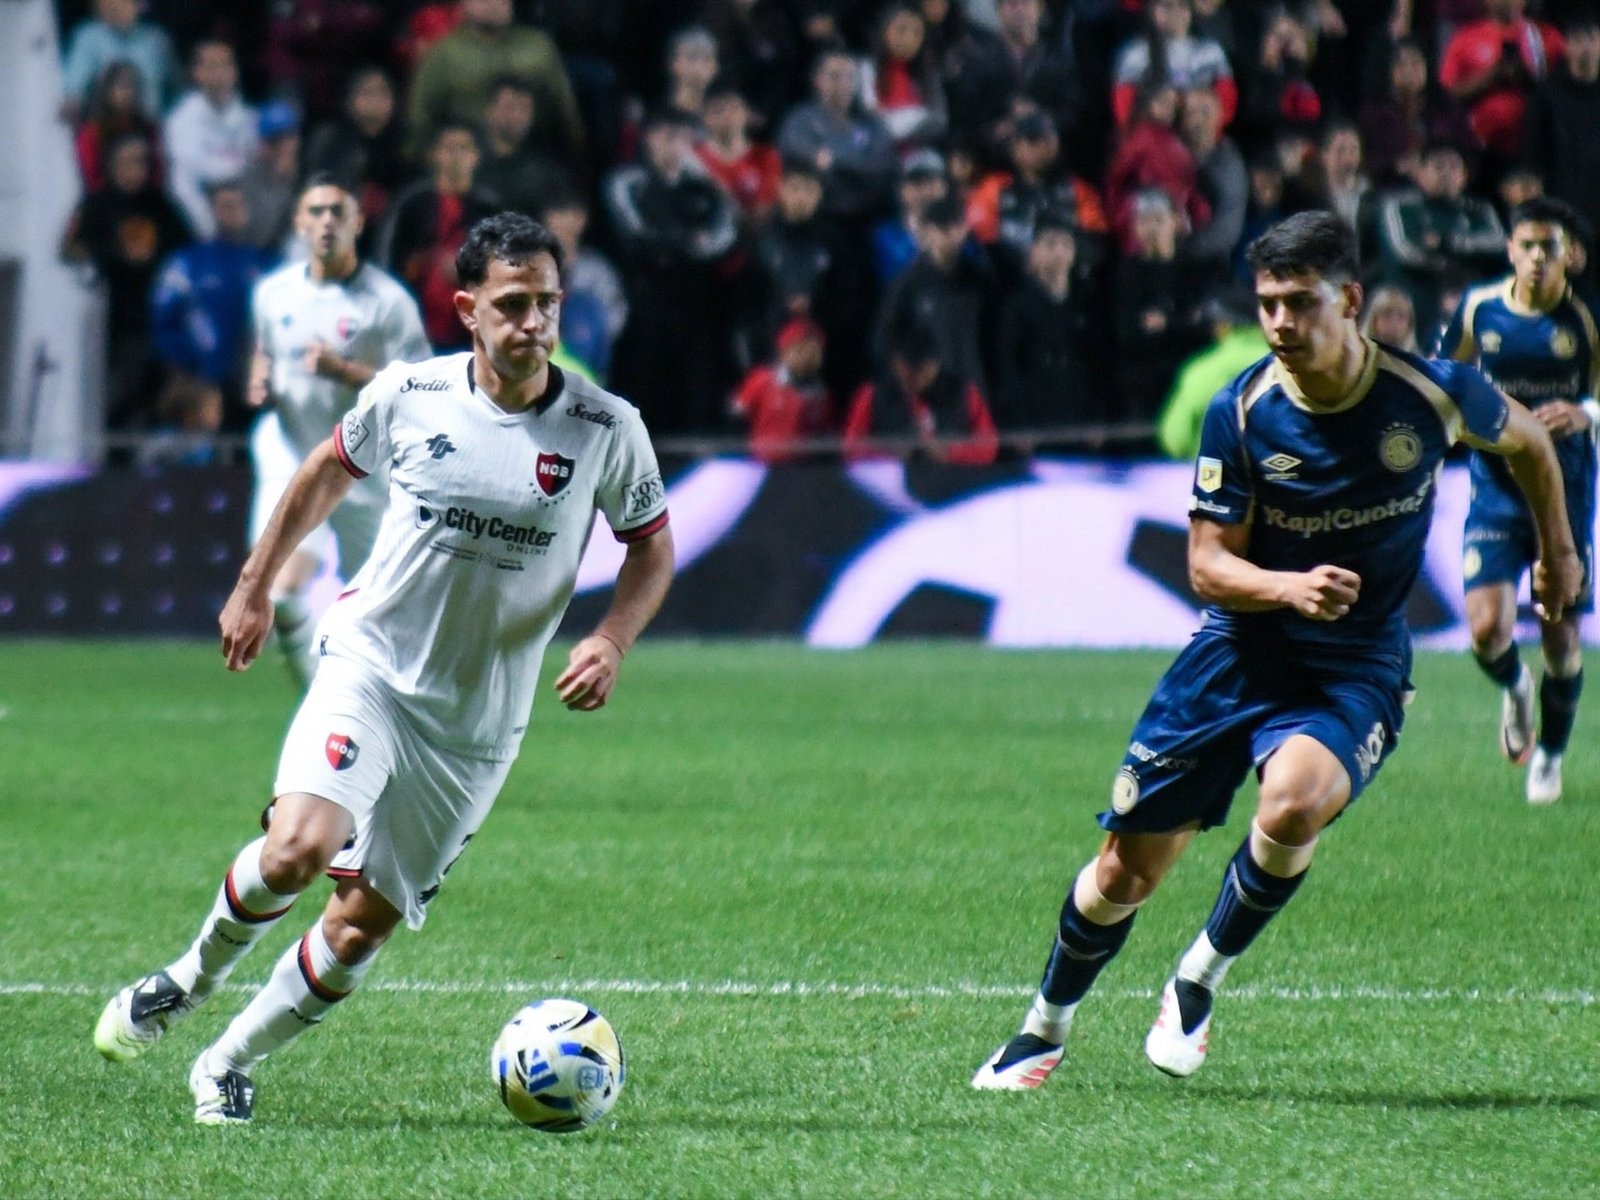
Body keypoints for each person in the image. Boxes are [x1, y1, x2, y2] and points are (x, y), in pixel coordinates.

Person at [971, 211, 1581, 1091]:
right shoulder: (1245, 411)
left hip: (1356, 667)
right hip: (1237, 660)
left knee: (1293, 804)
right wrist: (1287, 588)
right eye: (1267, 306)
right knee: (1127, 869)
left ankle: (1197, 979)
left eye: (1300, 303)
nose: (1282, 324)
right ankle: (1043, 1028)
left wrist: (1557, 551)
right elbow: (1207, 564)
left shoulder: (1430, 394)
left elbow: (1527, 441)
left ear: (1353, 301)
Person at [93, 212, 676, 1127]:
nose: (535, 324)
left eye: (548, 304)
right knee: (297, 849)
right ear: (468, 309)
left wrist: (610, 639)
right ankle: (186, 978)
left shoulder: (606, 425)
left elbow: (650, 548)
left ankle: (226, 1061)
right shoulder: (412, 391)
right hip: (371, 665)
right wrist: (253, 584)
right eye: (514, 304)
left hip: (478, 725)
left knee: (361, 925)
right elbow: (326, 470)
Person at [1436, 197, 1600, 804]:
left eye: (1548, 248)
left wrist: (1584, 412)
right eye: (1527, 245)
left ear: (1570, 257)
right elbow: (1439, 377)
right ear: (1510, 250)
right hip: (1496, 490)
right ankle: (1514, 687)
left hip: (1563, 498)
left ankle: (1552, 755)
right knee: (1485, 630)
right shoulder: (1480, 309)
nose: (1536, 258)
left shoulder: (1586, 323)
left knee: (1560, 638)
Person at [248, 175, 431, 687]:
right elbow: (265, 349)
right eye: (317, 211)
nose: (327, 222)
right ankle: (319, 700)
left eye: (337, 212)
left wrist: (345, 371)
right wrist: (258, 377)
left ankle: (391, 699)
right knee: (281, 592)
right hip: (291, 450)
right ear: (299, 223)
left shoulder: (388, 303)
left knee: (378, 611)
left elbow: (419, 386)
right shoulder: (272, 294)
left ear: (357, 224)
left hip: (361, 463)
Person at [162, 40, 258, 240]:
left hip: (244, 208)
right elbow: (182, 182)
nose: (220, 73)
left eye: (226, 65)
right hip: (202, 210)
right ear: (197, 73)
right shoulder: (181, 119)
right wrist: (208, 226)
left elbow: (254, 170)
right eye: (212, 66)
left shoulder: (250, 117)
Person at [731, 316, 835, 463]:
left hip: (801, 470)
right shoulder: (760, 380)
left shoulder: (821, 393)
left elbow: (823, 432)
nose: (807, 356)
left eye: (814, 350)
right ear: (783, 352)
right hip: (759, 465)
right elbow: (737, 421)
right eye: (800, 349)